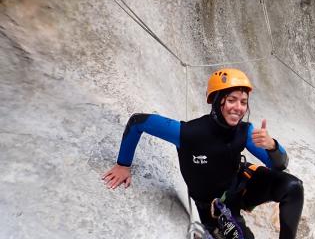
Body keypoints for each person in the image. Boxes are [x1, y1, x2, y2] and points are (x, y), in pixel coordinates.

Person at [102, 68, 304, 239]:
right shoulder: (189, 133)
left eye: (243, 102)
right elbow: (138, 122)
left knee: (293, 187)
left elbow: (279, 166)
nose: (239, 108)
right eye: (232, 100)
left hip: (241, 188)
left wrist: (272, 146)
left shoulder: (245, 131)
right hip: (213, 210)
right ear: (217, 101)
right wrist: (123, 165)